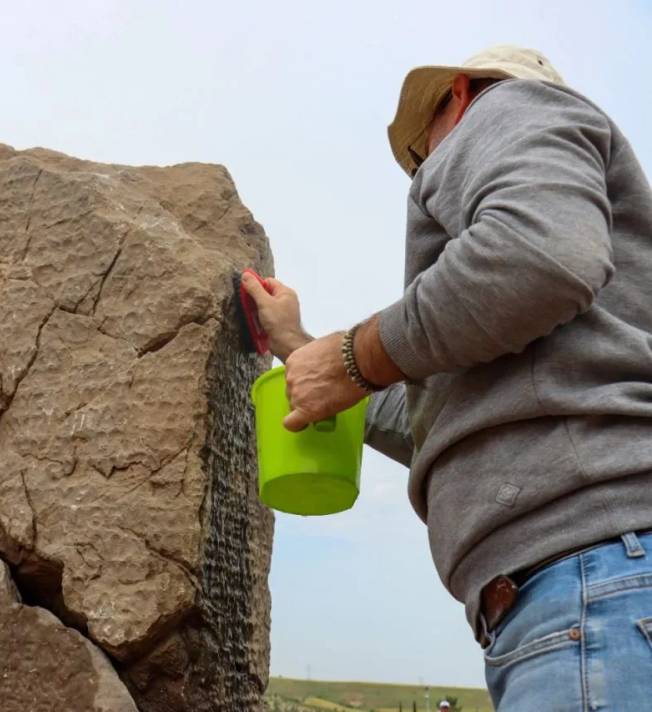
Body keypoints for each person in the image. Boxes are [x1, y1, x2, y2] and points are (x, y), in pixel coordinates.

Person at [243, 45, 652, 708]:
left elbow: (542, 254)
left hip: (592, 578)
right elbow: (440, 419)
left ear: (457, 95)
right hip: (590, 587)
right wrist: (301, 348)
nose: (426, 172)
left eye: (422, 151)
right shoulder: (567, 337)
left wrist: (353, 357)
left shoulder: (510, 105)